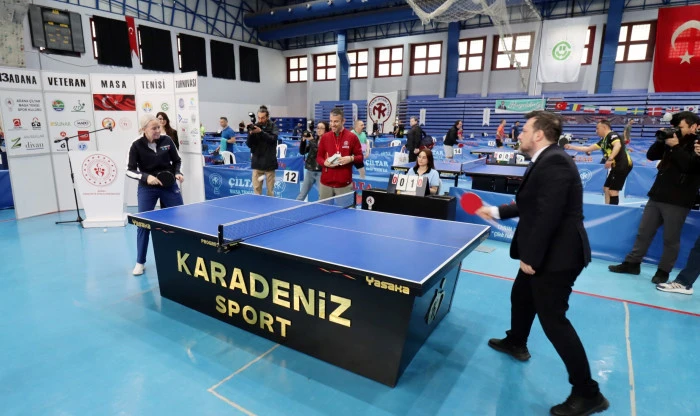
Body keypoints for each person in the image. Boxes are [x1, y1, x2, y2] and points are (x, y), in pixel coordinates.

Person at [475, 111, 608, 416]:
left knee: (554, 321)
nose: (519, 134)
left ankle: (588, 393)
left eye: (524, 130)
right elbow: (530, 203)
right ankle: (516, 342)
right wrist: (494, 211)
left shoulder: (555, 162)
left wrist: (530, 258)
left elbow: (549, 215)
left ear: (539, 134)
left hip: (558, 256)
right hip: (549, 251)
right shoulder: (545, 160)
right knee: (521, 296)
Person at [609, 111, 700, 283]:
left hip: (679, 199)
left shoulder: (697, 144)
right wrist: (661, 140)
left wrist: (676, 146)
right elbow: (651, 156)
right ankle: (632, 263)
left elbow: (690, 166)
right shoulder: (672, 139)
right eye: (675, 127)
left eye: (680, 127)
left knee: (670, 239)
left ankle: (663, 271)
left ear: (693, 126)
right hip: (658, 194)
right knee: (643, 233)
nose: (676, 130)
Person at [126, 114, 184, 276]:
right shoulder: (136, 145)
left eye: (159, 127)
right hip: (147, 188)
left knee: (181, 221)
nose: (158, 130)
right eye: (154, 128)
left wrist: (178, 172)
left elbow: (177, 160)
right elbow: (130, 170)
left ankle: (184, 256)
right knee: (143, 224)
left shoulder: (167, 140)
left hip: (169, 185)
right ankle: (140, 262)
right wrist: (146, 177)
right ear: (144, 129)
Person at [565, 120, 633, 205]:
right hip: (616, 166)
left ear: (604, 127)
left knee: (613, 191)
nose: (596, 131)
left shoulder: (612, 135)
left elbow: (617, 145)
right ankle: (607, 208)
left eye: (597, 128)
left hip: (623, 164)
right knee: (606, 188)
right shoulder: (603, 141)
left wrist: (610, 159)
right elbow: (588, 148)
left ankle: (613, 211)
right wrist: (571, 147)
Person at [316, 108, 363, 199]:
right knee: (323, 208)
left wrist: (351, 158)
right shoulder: (325, 137)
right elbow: (319, 157)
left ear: (343, 121)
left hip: (344, 185)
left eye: (336, 121)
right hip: (325, 184)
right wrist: (324, 163)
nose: (332, 124)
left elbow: (360, 157)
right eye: (331, 121)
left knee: (346, 209)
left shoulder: (352, 137)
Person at [246, 106, 279, 196]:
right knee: (256, 191)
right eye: (259, 118)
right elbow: (249, 144)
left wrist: (261, 132)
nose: (260, 120)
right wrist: (250, 134)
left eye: (263, 118)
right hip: (257, 163)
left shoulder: (273, 126)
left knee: (270, 192)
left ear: (267, 117)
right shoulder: (255, 127)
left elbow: (273, 139)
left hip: (269, 163)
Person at [296, 123, 324, 201]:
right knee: (302, 195)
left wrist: (311, 140)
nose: (319, 130)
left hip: (321, 172)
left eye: (321, 128)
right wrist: (303, 141)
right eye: (318, 128)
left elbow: (318, 150)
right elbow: (302, 152)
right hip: (310, 171)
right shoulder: (315, 141)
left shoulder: (327, 142)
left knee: (322, 196)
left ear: (326, 130)